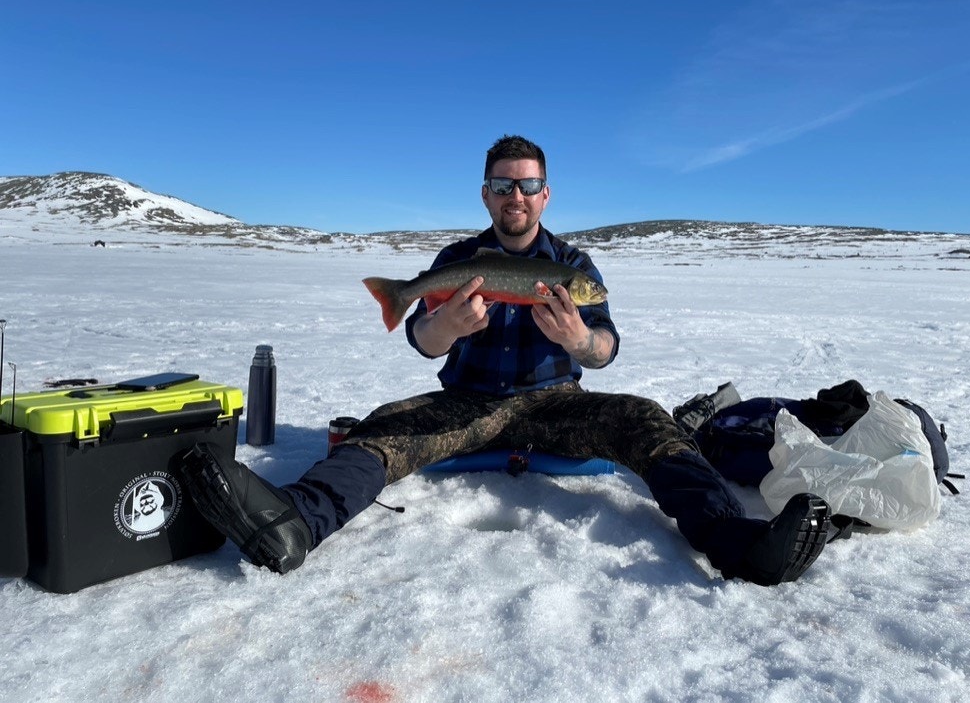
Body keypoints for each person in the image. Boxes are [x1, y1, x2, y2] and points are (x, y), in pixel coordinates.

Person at [181, 135, 832, 586]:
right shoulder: (459, 260)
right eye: (502, 186)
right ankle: (293, 521)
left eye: (528, 185)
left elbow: (607, 348)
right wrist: (442, 323)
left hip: (556, 405)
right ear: (487, 194)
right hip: (467, 400)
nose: (515, 196)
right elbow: (420, 340)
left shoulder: (571, 268)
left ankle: (734, 540)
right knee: (381, 428)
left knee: (647, 418)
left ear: (545, 194)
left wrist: (580, 341)